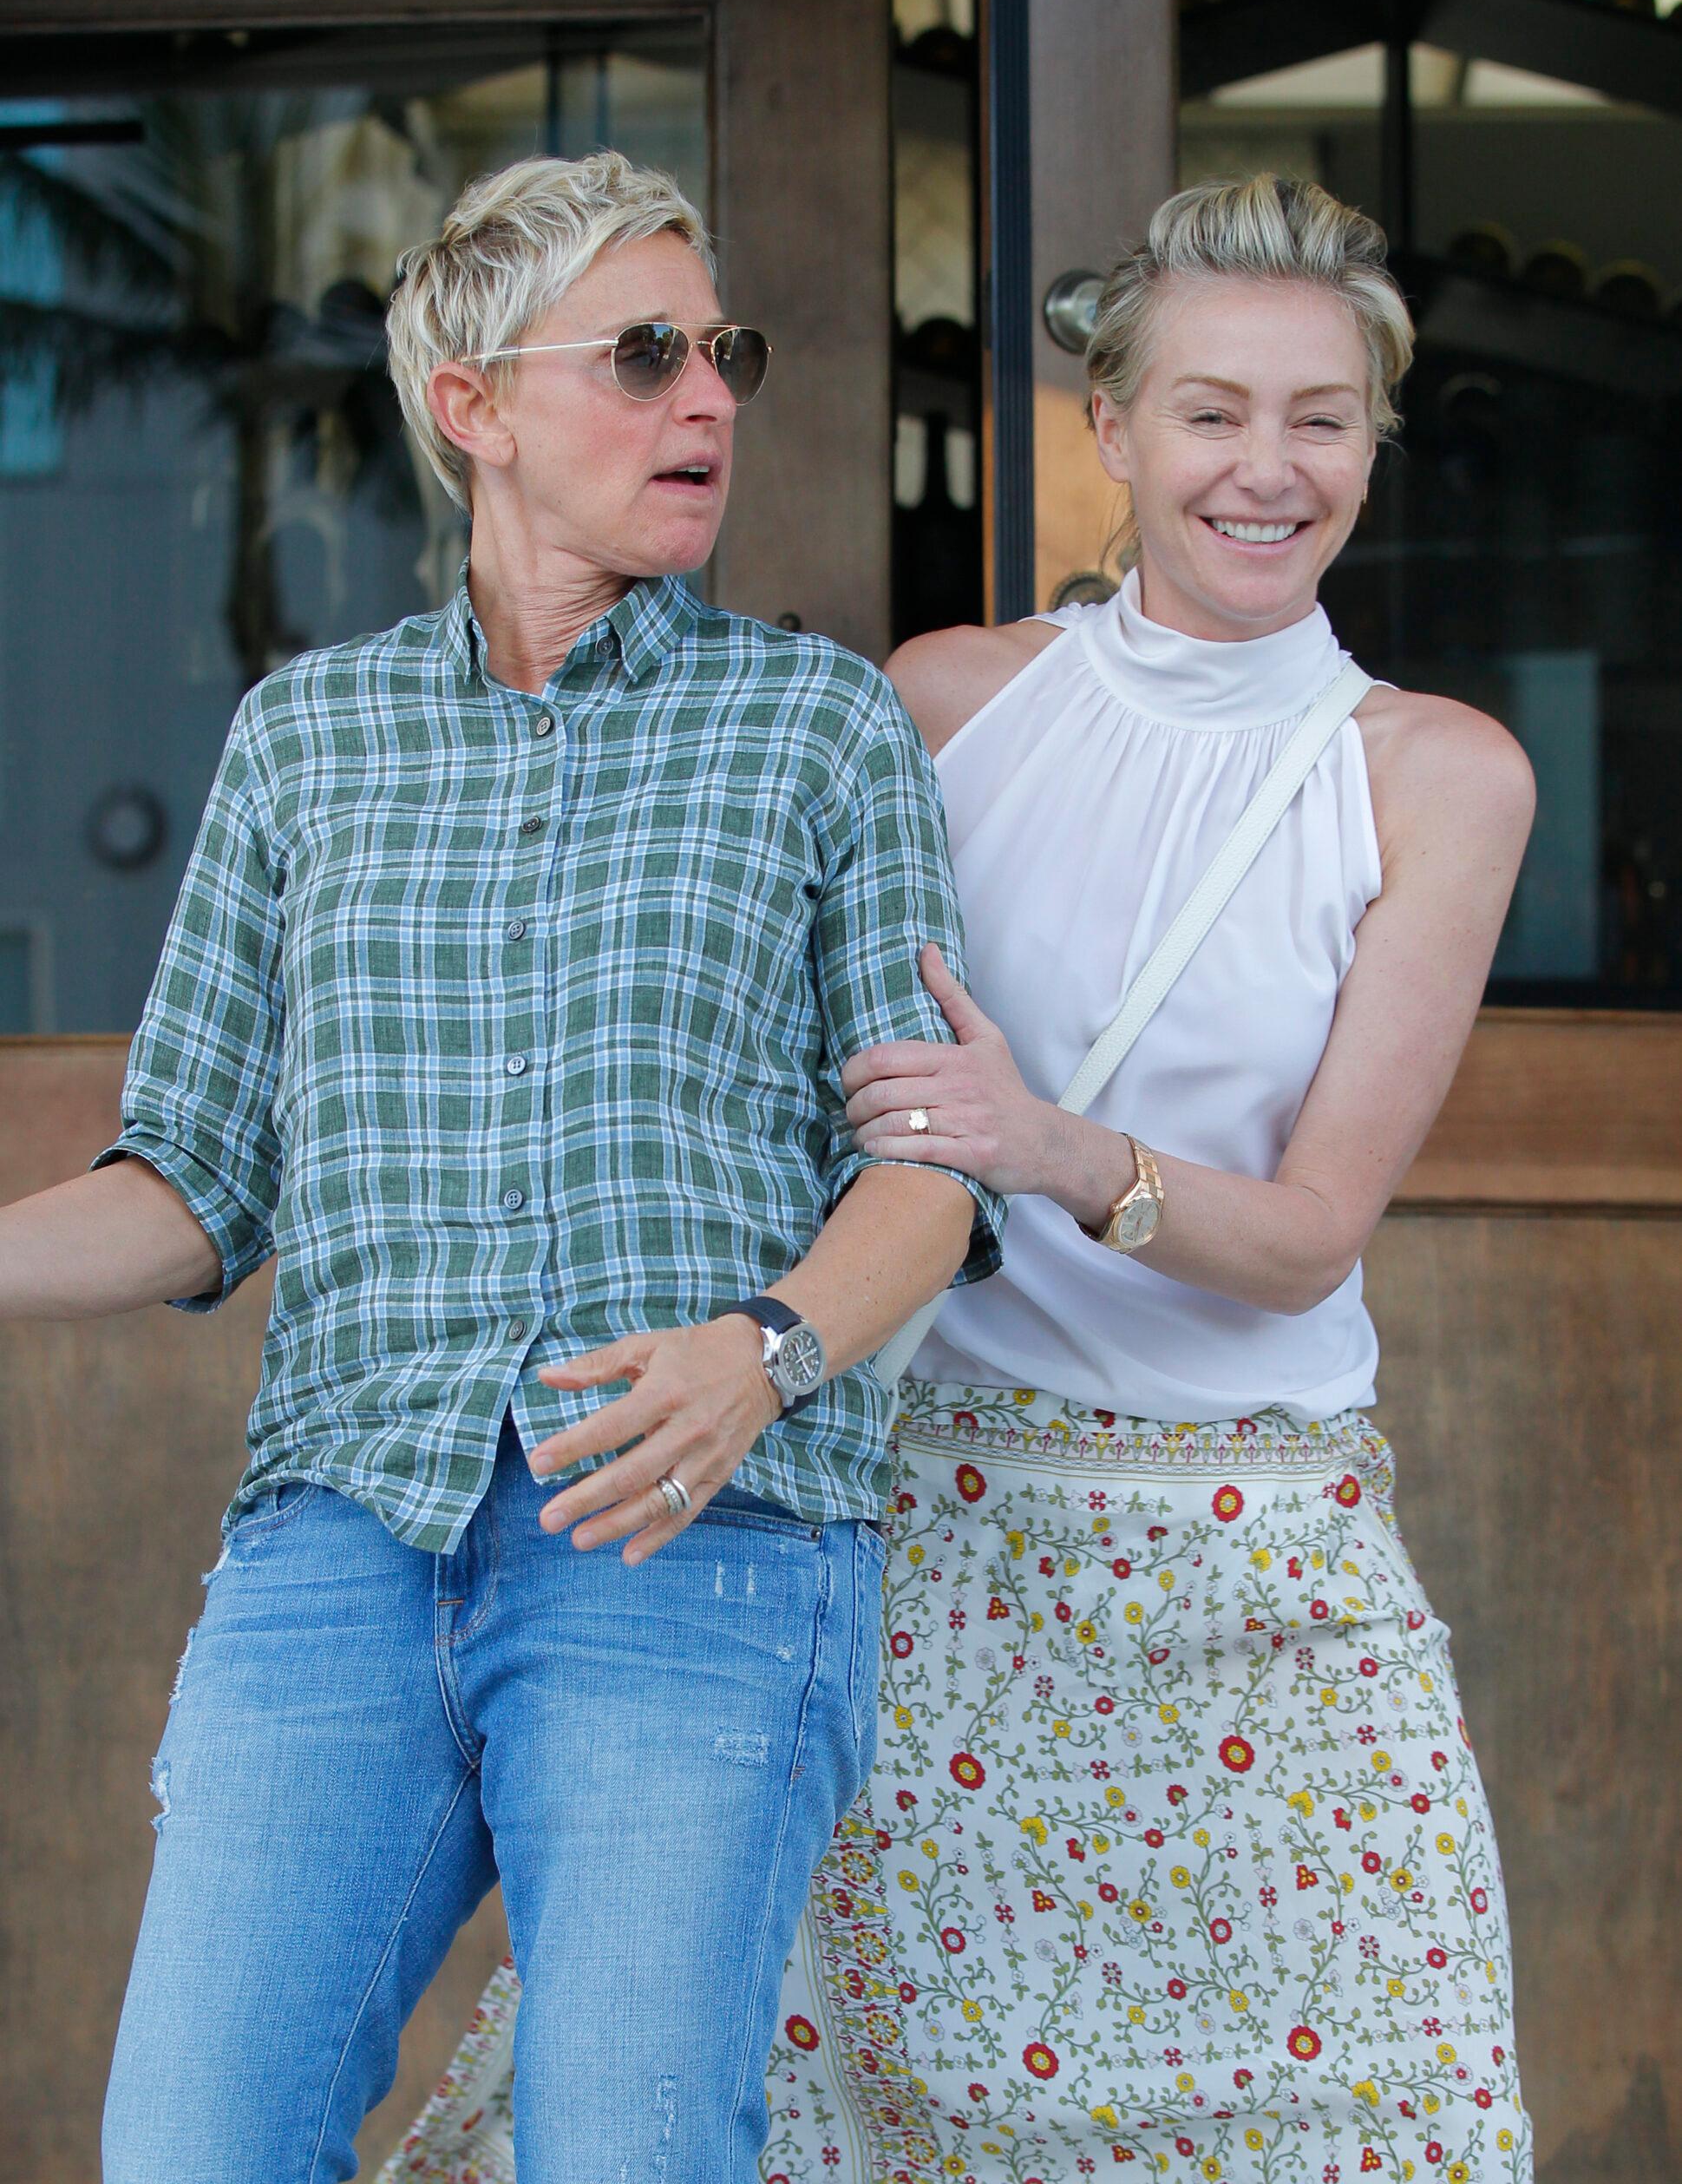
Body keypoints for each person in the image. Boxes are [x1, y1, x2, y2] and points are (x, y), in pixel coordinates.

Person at [393, 175, 1535, 2184]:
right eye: (1210, 411)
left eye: (1320, 417)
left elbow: (1305, 1239)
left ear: (1372, 439)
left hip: (1260, 1567)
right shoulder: (939, 704)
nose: (1266, 468)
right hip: (930, 1548)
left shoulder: (1434, 772)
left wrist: (1046, 1148)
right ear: (1110, 428)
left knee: (1384, 2122)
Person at [0, 152, 1005, 2184]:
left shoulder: (817, 728)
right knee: (194, 2144)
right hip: (340, 1543)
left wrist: (767, 1350)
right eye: (640, 357)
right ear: (471, 402)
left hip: (691, 1535)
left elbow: (933, 1175)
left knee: (623, 2154)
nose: (706, 399)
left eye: (720, 353)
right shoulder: (307, 742)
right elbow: (193, 1174)